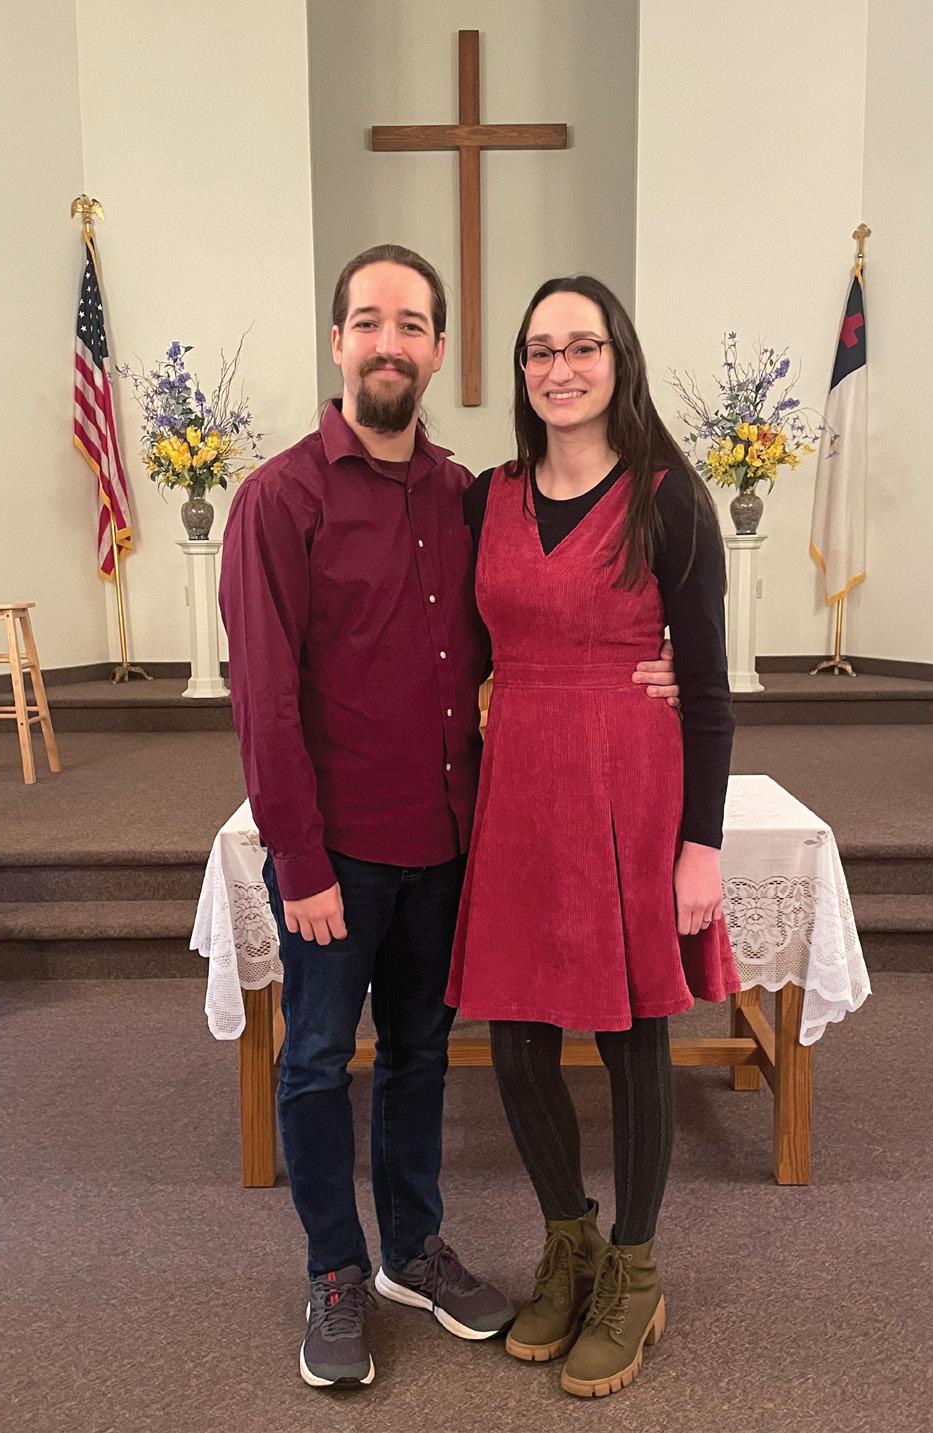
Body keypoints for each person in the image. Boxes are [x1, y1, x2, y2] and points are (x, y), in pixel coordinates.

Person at [218, 245, 681, 1390]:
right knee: (316, 1061)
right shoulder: (280, 498)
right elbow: (263, 697)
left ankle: (413, 1247)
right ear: (338, 341)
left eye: (412, 324)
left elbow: (527, 626)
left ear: (437, 351)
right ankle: (335, 1268)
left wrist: (654, 660)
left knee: (422, 1055)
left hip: (449, 839)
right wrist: (299, 858)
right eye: (370, 321)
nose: (390, 342)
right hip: (336, 854)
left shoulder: (465, 494)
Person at [446, 275, 740, 1400]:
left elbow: (706, 690)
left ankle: (635, 1267)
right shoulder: (487, 498)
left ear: (619, 358)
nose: (558, 368)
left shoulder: (670, 499)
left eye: (581, 346)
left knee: (630, 1032)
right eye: (538, 350)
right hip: (520, 782)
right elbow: (460, 648)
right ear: (521, 370)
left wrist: (701, 843)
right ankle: (566, 1242)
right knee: (516, 1031)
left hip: (631, 785)